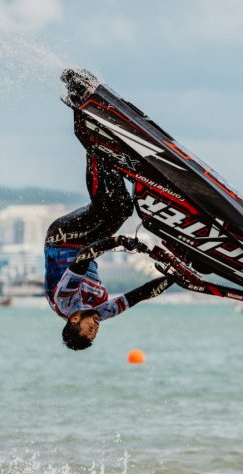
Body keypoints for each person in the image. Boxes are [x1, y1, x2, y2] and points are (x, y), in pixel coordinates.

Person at [44, 69, 173, 350]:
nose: (96, 328)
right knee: (122, 208)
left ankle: (88, 127)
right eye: (95, 333)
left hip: (64, 239)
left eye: (89, 329)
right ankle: (106, 149)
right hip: (90, 239)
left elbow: (81, 259)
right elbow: (139, 295)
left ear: (74, 319)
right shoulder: (103, 310)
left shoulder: (65, 302)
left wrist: (116, 241)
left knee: (111, 210)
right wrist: (174, 278)